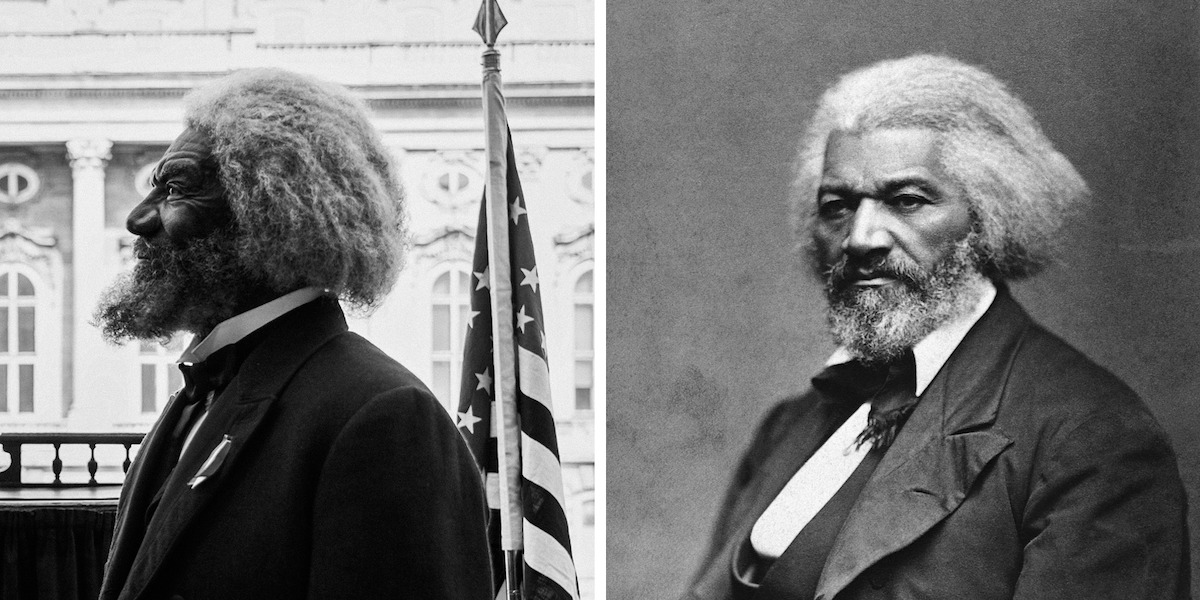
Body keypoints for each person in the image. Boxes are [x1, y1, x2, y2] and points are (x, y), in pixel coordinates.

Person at [683, 55, 1189, 600]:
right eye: (838, 206)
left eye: (906, 201)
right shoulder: (788, 426)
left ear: (988, 216)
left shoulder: (1091, 438)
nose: (861, 238)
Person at [95, 68, 491, 600]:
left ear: (275, 209)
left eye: (177, 188)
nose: (138, 219)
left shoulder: (386, 416)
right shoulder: (199, 394)